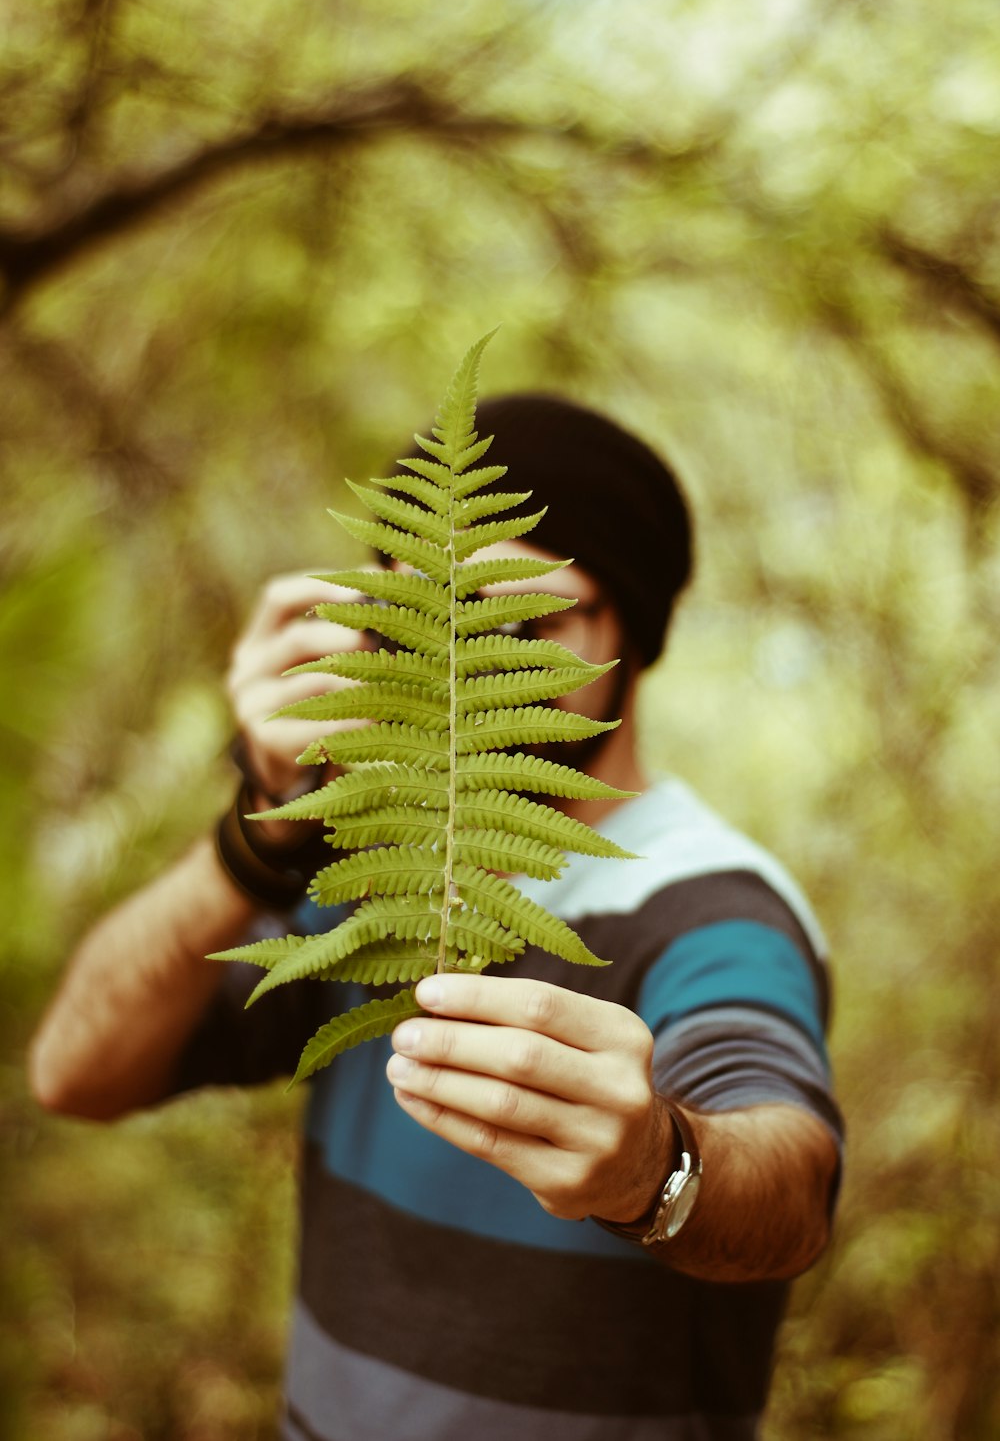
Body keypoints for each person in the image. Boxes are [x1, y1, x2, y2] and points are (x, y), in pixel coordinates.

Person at [30, 394, 843, 1441]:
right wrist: (268, 819)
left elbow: (788, 1180)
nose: (458, 662)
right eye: (413, 626)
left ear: (620, 628)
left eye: (509, 619)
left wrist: (656, 1165)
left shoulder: (710, 911)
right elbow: (74, 1071)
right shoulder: (372, 877)